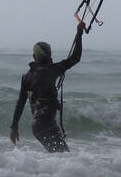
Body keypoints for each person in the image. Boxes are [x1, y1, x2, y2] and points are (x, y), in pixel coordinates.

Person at [10, 17, 84, 152]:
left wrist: (14, 128)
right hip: (47, 124)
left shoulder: (27, 76)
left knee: (59, 157)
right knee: (63, 156)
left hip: (37, 127)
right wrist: (79, 34)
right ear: (50, 55)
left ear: (34, 57)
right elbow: (75, 58)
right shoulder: (53, 70)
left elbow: (20, 103)